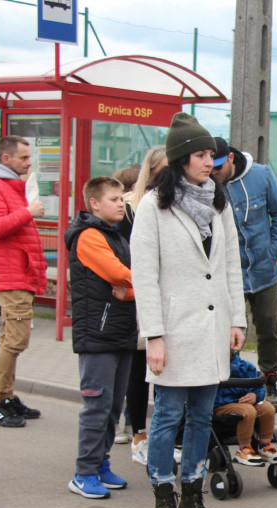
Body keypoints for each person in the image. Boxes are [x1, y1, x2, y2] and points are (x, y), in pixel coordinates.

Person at [130, 113, 246, 508]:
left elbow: (231, 264)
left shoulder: (219, 201)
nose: (209, 161)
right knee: (166, 418)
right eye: (200, 154)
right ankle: (163, 501)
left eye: (210, 154)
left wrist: (238, 320)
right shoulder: (152, 207)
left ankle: (192, 498)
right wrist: (154, 336)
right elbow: (144, 276)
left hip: (213, 331)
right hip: (174, 332)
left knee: (201, 418)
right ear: (180, 159)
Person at [64, 177, 137, 500]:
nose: (121, 203)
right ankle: (83, 472)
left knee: (112, 406)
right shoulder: (89, 236)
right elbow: (120, 273)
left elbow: (129, 283)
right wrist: (142, 285)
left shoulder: (114, 234)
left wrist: (132, 292)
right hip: (98, 334)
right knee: (96, 405)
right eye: (113, 199)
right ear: (94, 203)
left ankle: (100, 463)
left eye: (122, 198)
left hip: (120, 332)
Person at [210, 138, 277, 407]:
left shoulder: (261, 175)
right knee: (228, 330)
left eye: (219, 166)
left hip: (264, 272)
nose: (214, 172)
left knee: (268, 328)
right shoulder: (208, 185)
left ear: (231, 159)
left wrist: (274, 249)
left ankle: (270, 383)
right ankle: (228, 383)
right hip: (228, 275)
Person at [0, 135, 48, 428]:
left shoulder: (8, 185)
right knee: (15, 341)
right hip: (13, 276)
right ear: (6, 159)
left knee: (11, 340)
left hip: (19, 273)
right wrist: (27, 212)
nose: (28, 162)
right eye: (23, 158)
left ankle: (5, 396)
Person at [119, 145, 168, 464]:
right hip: (139, 296)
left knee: (164, 371)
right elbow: (125, 252)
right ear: (151, 171)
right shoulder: (131, 208)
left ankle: (165, 434)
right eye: (165, 168)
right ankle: (138, 431)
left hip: (169, 297)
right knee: (138, 368)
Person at [212, 352, 277, 466]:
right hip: (222, 404)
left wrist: (254, 395)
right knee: (248, 411)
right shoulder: (214, 366)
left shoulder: (245, 366)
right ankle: (244, 448)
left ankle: (264, 445)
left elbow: (259, 386)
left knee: (268, 408)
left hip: (244, 402)